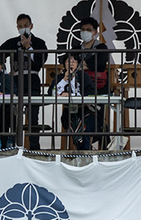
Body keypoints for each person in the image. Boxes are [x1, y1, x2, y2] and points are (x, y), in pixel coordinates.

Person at [0, 14, 48, 150]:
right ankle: (9, 146)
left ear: (31, 26)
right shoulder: (12, 43)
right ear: (16, 27)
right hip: (14, 84)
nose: (23, 29)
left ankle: (34, 149)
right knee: (11, 116)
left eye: (25, 26)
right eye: (20, 26)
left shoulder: (40, 43)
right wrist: (3, 71)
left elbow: (39, 62)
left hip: (32, 83)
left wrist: (29, 48)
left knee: (33, 118)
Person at [74, 16, 112, 148]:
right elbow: (68, 63)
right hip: (79, 92)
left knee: (96, 119)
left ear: (95, 32)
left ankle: (97, 148)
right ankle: (85, 147)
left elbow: (99, 63)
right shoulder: (75, 49)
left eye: (88, 30)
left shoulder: (102, 48)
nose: (85, 32)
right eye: (83, 29)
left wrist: (82, 64)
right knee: (75, 118)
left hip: (99, 91)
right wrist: (87, 65)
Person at [52, 53, 99, 151]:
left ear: (78, 64)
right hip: (69, 111)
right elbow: (52, 93)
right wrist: (64, 80)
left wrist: (71, 95)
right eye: (68, 61)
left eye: (74, 61)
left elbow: (92, 91)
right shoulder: (60, 77)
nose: (71, 64)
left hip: (85, 109)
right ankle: (83, 150)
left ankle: (83, 150)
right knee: (74, 121)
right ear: (64, 64)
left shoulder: (83, 76)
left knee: (88, 122)